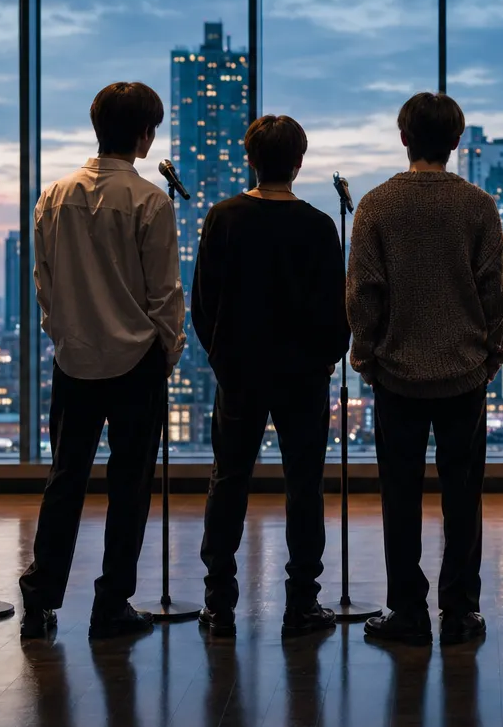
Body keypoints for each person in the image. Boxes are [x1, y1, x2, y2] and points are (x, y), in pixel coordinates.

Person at [19, 81, 186, 641]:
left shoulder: (53, 196)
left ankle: (41, 601)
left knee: (65, 480)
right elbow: (164, 294)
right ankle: (111, 604)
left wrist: (62, 333)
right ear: (145, 135)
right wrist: (167, 353)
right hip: (137, 360)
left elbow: (44, 282)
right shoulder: (149, 200)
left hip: (74, 360)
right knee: (129, 487)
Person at [346, 92, 503, 646]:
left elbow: (363, 293)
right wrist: (492, 355)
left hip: (396, 376)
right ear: (457, 142)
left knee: (400, 495)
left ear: (403, 138)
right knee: (463, 495)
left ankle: (408, 612)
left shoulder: (376, 205)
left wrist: (366, 355)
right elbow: (497, 292)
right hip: (464, 375)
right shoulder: (478, 206)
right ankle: (461, 612)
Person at [192, 115, 349, 638]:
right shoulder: (320, 226)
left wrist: (221, 357)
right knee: (305, 486)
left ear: (249, 159)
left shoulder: (224, 217)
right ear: (299, 163)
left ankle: (219, 604)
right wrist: (328, 357)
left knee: (229, 480)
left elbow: (202, 302)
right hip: (304, 375)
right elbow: (336, 308)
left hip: (240, 370)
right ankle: (302, 602)